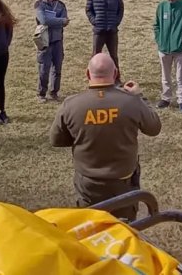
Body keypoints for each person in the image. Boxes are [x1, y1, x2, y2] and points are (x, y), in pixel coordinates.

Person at [49, 53, 161, 221]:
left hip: (88, 185)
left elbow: (56, 140)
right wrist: (139, 96)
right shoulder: (131, 102)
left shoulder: (71, 104)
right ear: (115, 73)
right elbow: (154, 128)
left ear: (88, 74)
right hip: (123, 184)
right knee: (124, 228)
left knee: (90, 227)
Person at [85, 0, 125, 82]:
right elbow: (88, 9)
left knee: (114, 56)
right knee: (95, 55)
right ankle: (92, 78)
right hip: (99, 30)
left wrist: (116, 22)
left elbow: (121, 9)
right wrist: (94, 21)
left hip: (112, 31)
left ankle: (116, 79)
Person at [35, 0, 69, 102]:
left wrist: (56, 21)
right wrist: (59, 21)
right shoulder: (39, 4)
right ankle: (41, 94)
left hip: (57, 40)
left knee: (57, 68)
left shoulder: (61, 5)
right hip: (44, 40)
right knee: (44, 68)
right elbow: (44, 20)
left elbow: (66, 21)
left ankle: (54, 92)